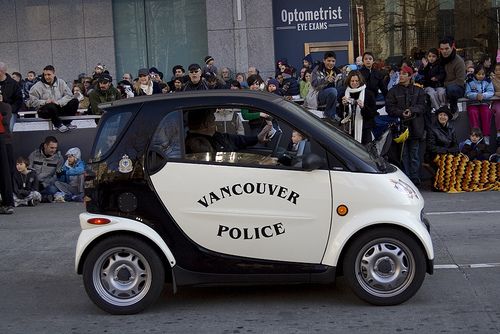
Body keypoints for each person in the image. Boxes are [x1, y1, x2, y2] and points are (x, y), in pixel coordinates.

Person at [386, 65, 426, 185]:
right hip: (400, 127)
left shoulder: (419, 90)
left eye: (404, 74)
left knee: (414, 154)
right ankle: (406, 178)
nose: (401, 76)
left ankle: (415, 178)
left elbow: (423, 107)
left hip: (415, 126)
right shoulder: (393, 91)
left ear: (410, 76)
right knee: (402, 155)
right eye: (400, 73)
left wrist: (411, 110)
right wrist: (401, 113)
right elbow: (390, 108)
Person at [185, 109, 272, 154]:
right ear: (205, 123)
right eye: (212, 118)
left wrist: (257, 138)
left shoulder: (216, 136)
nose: (215, 119)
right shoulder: (197, 144)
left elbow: (236, 139)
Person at [29, 65, 79, 133]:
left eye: (49, 74)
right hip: (44, 110)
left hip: (59, 107)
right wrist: (45, 102)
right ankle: (58, 124)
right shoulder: (37, 86)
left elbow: (69, 95)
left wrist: (58, 102)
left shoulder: (61, 82)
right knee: (51, 105)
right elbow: (33, 101)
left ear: (54, 74)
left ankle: (66, 123)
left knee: (75, 101)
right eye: (45, 75)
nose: (47, 77)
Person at [341, 70, 378, 144]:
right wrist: (344, 106)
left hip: (364, 129)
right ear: (349, 81)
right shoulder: (344, 93)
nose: (354, 83)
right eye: (352, 81)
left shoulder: (369, 94)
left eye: (357, 81)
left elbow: (373, 113)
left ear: (360, 81)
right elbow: (340, 114)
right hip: (349, 129)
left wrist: (363, 107)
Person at [28, 136, 64, 202]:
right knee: (26, 189)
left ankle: (35, 197)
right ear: (45, 146)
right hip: (33, 183)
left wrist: (44, 184)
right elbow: (28, 170)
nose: (54, 150)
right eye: (51, 147)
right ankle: (42, 198)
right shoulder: (34, 155)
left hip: (46, 185)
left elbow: (56, 176)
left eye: (55, 148)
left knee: (53, 190)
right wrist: (33, 182)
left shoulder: (59, 158)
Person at [465, 64, 494, 145]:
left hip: (484, 103)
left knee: (486, 112)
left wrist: (484, 95)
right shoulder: (470, 81)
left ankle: (486, 136)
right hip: (473, 104)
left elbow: (491, 91)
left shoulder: (488, 81)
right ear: (475, 74)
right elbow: (467, 93)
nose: (481, 76)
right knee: (473, 113)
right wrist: (476, 96)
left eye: (483, 74)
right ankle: (476, 136)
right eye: (479, 74)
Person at [439, 36, 466, 119]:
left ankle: (454, 110)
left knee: (451, 89)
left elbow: (460, 81)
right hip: (442, 86)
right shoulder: (439, 59)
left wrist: (444, 84)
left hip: (458, 87)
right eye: (442, 49)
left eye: (447, 48)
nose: (444, 51)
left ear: (452, 47)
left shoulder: (459, 61)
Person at [311, 51, 341, 121]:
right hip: (319, 94)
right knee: (333, 91)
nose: (331, 63)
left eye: (333, 61)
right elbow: (314, 84)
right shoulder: (317, 70)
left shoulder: (337, 71)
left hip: (333, 94)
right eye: (329, 61)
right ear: (324, 60)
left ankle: (341, 113)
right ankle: (329, 115)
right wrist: (325, 80)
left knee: (341, 90)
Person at [0, 102, 14, 214]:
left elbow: (5, 122)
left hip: (3, 142)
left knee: (5, 174)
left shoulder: (5, 106)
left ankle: (7, 203)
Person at [0, 62, 23, 130]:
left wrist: (10, 109)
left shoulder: (13, 84)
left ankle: (6, 140)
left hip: (10, 112)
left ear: (2, 72)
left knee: (8, 127)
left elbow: (19, 100)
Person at [488, 63, 500, 146]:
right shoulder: (491, 80)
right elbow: (491, 92)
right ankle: (499, 133)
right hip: (496, 102)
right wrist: (497, 93)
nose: (498, 71)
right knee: (499, 111)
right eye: (496, 70)